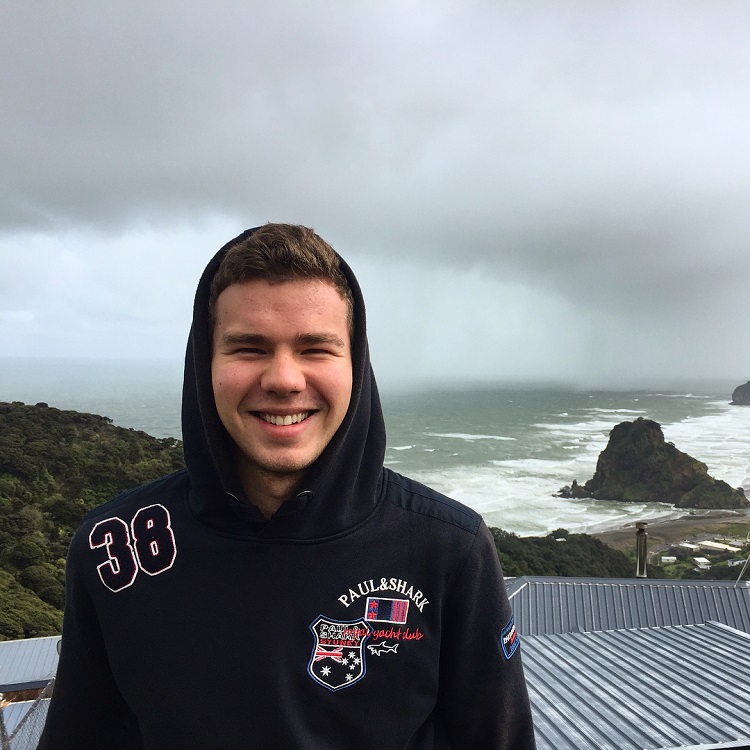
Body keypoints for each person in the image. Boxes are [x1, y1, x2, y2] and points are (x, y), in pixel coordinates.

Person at [38, 224, 536, 749]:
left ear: (356, 366)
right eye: (248, 348)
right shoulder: (113, 548)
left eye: (315, 348)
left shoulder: (449, 550)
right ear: (204, 363)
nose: (283, 379)